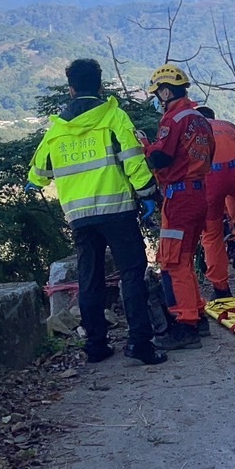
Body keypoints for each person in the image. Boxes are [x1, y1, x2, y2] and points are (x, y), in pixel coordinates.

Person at [28, 58, 166, 366]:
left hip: (80, 218)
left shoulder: (57, 130)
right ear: (101, 86)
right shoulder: (114, 117)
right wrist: (148, 195)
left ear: (71, 90)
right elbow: (133, 162)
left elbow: (37, 174)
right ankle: (140, 343)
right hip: (117, 210)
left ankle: (95, 345)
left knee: (89, 278)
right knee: (131, 273)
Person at [144, 64, 214, 350]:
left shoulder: (173, 119)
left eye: (158, 93)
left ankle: (186, 326)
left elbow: (161, 158)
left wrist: (145, 147)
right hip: (198, 193)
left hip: (180, 196)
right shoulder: (199, 118)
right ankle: (197, 315)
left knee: (174, 262)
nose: (158, 99)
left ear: (165, 90)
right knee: (185, 258)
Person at [195, 105, 235, 299]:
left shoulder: (194, 131)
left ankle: (221, 289)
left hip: (210, 178)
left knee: (211, 236)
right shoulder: (228, 126)